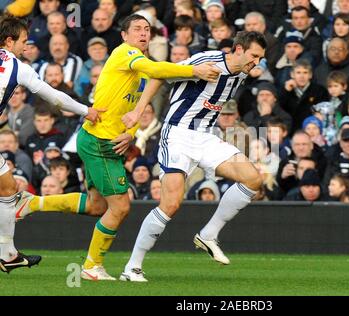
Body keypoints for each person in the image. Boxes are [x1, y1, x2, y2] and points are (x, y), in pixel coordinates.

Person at [17, 14, 221, 281]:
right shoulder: (125, 53)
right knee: (121, 207)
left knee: (95, 206)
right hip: (99, 141)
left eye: (147, 29)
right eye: (136, 29)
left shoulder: (138, 71)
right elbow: (158, 70)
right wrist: (195, 70)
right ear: (124, 35)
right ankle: (91, 266)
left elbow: (137, 107)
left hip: (105, 140)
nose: (143, 33)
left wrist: (131, 132)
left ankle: (33, 203)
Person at [119, 31, 267, 282]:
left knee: (253, 178)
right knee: (171, 204)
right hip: (177, 135)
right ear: (238, 49)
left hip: (206, 136)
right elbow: (158, 73)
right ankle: (132, 267)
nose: (257, 62)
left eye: (261, 58)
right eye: (254, 55)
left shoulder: (241, 73)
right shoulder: (206, 61)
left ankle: (208, 235)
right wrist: (137, 111)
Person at [0, 16, 100, 273]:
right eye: (23, 41)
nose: (27, 46)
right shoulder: (17, 66)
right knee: (8, 192)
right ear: (9, 41)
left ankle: (8, 254)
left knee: (8, 189)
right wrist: (85, 110)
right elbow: (54, 97)